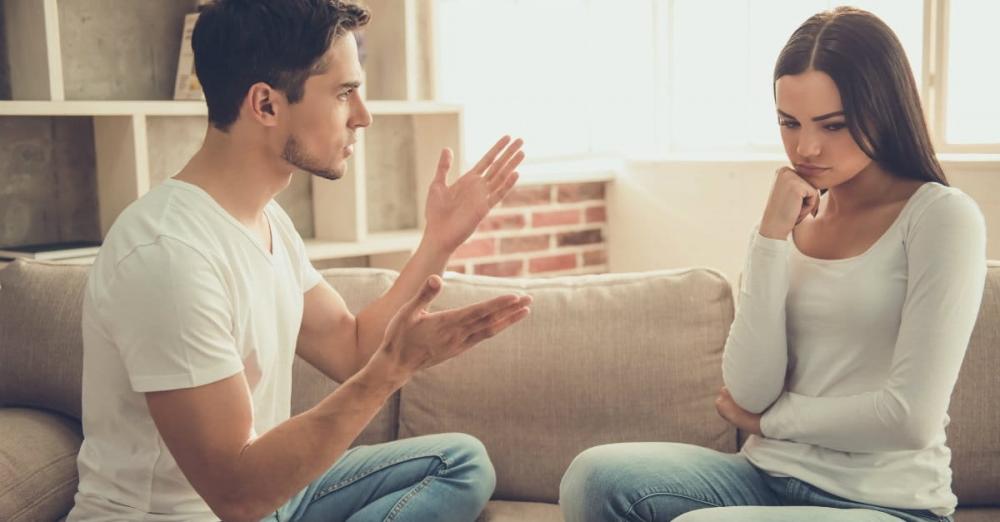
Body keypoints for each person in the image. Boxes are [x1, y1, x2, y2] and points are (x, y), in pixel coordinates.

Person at [66, 1, 531, 520]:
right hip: (194, 511)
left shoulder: (267, 221)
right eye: (344, 93)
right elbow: (235, 494)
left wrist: (438, 242)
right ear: (265, 105)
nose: (363, 116)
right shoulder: (167, 256)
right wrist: (393, 370)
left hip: (272, 496)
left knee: (460, 462)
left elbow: (352, 347)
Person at [559, 7, 986, 522]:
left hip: (885, 503)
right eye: (789, 122)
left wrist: (770, 422)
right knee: (593, 478)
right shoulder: (790, 223)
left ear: (885, 110)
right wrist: (769, 237)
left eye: (833, 125)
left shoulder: (941, 217)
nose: (806, 147)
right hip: (763, 477)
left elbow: (908, 418)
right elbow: (750, 391)